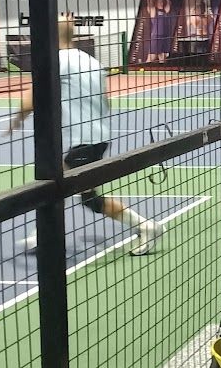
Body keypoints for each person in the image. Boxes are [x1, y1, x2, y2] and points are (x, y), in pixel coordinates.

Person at [9, 16, 163, 254]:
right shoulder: (92, 62)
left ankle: (42, 234)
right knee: (87, 198)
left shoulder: (57, 61)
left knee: (54, 184)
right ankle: (145, 226)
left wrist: (18, 119)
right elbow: (105, 103)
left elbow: (31, 99)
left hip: (82, 140)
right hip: (98, 138)